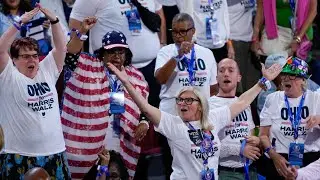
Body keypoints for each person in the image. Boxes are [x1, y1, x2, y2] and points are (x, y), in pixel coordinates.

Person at [106, 54, 282, 179]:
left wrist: (263, 81)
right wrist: (127, 83)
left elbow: (242, 102)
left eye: (188, 100)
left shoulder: (212, 119)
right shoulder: (174, 124)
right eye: (180, 100)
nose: (183, 104)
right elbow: (145, 107)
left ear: (200, 104)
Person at [60, 17, 149, 179]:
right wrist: (82, 31)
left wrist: (144, 122)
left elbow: (144, 106)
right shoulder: (87, 65)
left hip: (122, 137)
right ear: (103, 53)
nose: (116, 55)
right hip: (85, 139)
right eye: (111, 51)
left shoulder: (136, 76)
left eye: (120, 51)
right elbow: (70, 54)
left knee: (116, 175)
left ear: (126, 53)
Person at [0, 6, 70, 179]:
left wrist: (55, 21)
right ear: (14, 60)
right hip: (18, 154)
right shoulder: (8, 75)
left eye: (34, 55)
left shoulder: (46, 71)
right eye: (25, 56)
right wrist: (19, 23)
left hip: (55, 152)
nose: (32, 59)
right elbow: (1, 49)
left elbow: (62, 48)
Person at [259, 57, 320, 179]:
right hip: (279, 159)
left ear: (303, 80)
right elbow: (263, 135)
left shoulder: (316, 98)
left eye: (292, 75)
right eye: (284, 74)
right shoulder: (272, 98)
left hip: (311, 159)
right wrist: (273, 155)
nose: (286, 78)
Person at [155, 13, 218, 115]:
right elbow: (160, 79)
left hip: (199, 115)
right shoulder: (165, 52)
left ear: (193, 31)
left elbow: (214, 89)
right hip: (172, 114)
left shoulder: (207, 53)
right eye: (174, 32)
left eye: (182, 32)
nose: (178, 36)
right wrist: (177, 56)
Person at [209, 58, 260, 179]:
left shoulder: (245, 103)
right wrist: (239, 150)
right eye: (221, 71)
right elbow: (207, 146)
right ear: (216, 78)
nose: (226, 73)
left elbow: (252, 133)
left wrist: (256, 140)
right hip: (226, 172)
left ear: (239, 77)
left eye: (231, 70)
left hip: (250, 170)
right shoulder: (208, 105)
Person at [252, 0, 317, 61]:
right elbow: (260, 10)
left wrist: (298, 38)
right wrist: (255, 39)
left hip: (302, 34)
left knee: (297, 68)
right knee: (272, 62)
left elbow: (313, 11)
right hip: (275, 33)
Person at [226, 0, 260, 93]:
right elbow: (221, 22)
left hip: (249, 40)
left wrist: (256, 37)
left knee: (252, 82)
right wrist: (229, 44)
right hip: (234, 42)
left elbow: (259, 8)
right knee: (238, 84)